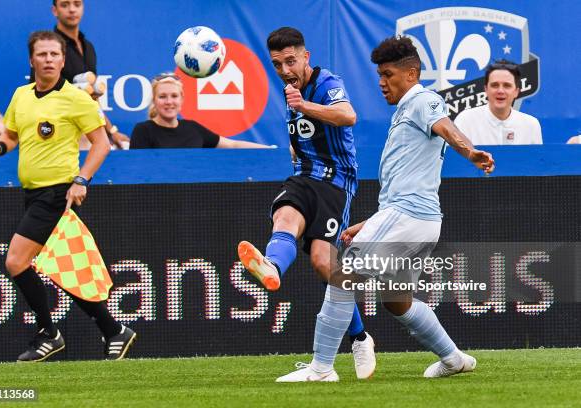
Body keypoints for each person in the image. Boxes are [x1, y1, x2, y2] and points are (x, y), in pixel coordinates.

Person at [276, 36, 495, 382]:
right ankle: (453, 358)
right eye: (379, 74)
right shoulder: (406, 111)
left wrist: (470, 152)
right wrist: (369, 222)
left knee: (341, 275)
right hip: (419, 220)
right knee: (396, 299)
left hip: (408, 217)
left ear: (410, 74)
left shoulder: (423, 100)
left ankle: (320, 369)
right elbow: (407, 184)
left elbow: (447, 128)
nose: (381, 82)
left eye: (388, 74)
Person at [0, 31, 136, 362]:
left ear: (63, 60)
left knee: (15, 261)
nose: (49, 59)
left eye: (54, 54)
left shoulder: (76, 99)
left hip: (57, 194)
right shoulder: (21, 96)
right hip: (32, 194)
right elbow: (11, 136)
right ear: (31, 60)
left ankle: (49, 334)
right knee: (62, 270)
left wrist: (82, 179)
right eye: (42, 54)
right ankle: (113, 330)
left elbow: (102, 143)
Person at [237, 27, 376, 380]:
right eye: (277, 64)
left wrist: (305, 106)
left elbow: (348, 116)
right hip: (302, 177)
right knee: (283, 218)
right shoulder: (290, 91)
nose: (284, 69)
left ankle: (360, 337)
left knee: (321, 260)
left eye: (290, 61)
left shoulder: (326, 83)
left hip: (335, 182)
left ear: (306, 57)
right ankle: (272, 268)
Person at [30, 0, 129, 149]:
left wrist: (111, 131)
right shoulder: (49, 46)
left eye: (77, 4)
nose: (72, 9)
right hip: (58, 136)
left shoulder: (88, 47)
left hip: (88, 134)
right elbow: (38, 95)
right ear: (54, 10)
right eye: (65, 5)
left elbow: (92, 99)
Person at [130, 74, 271, 149]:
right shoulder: (143, 131)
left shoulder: (193, 128)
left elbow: (231, 145)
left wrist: (270, 150)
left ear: (181, 99)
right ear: (154, 100)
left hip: (192, 198)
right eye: (162, 97)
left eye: (174, 96)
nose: (169, 102)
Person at [454, 60, 542, 145]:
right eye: (494, 85)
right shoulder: (465, 121)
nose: (500, 91)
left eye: (507, 85)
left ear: (516, 91)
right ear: (486, 89)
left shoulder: (531, 125)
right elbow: (455, 159)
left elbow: (537, 159)